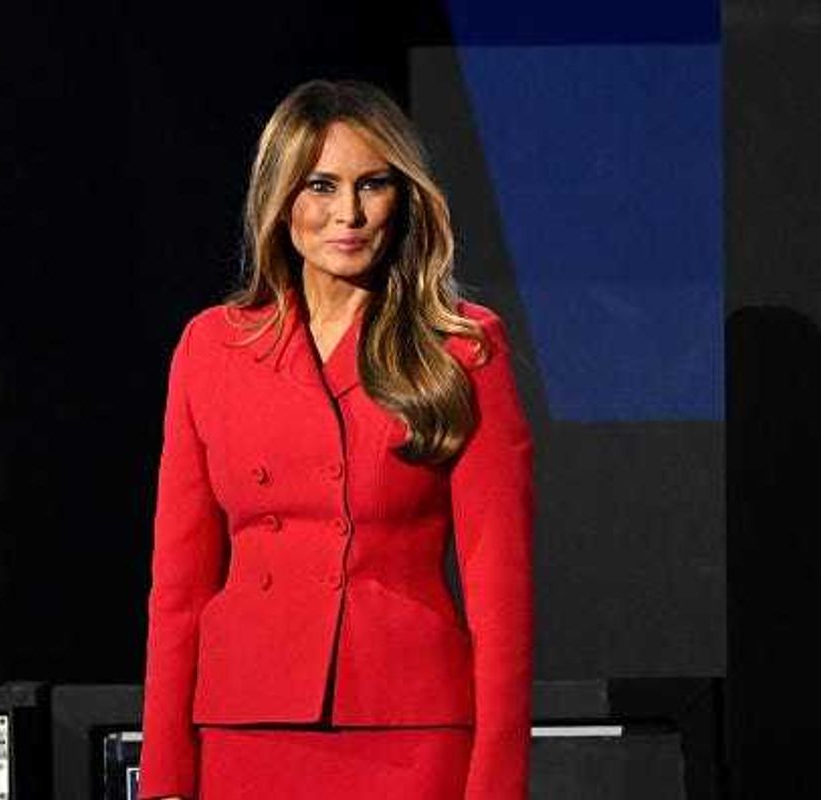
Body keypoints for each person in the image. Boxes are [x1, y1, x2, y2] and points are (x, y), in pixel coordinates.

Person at [137, 79, 534, 800]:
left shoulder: (463, 347)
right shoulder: (211, 347)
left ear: (402, 197)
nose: (347, 213)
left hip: (409, 730)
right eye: (320, 185)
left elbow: (498, 585)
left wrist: (497, 781)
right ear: (281, 197)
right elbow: (179, 587)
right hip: (245, 726)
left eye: (372, 185)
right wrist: (165, 773)